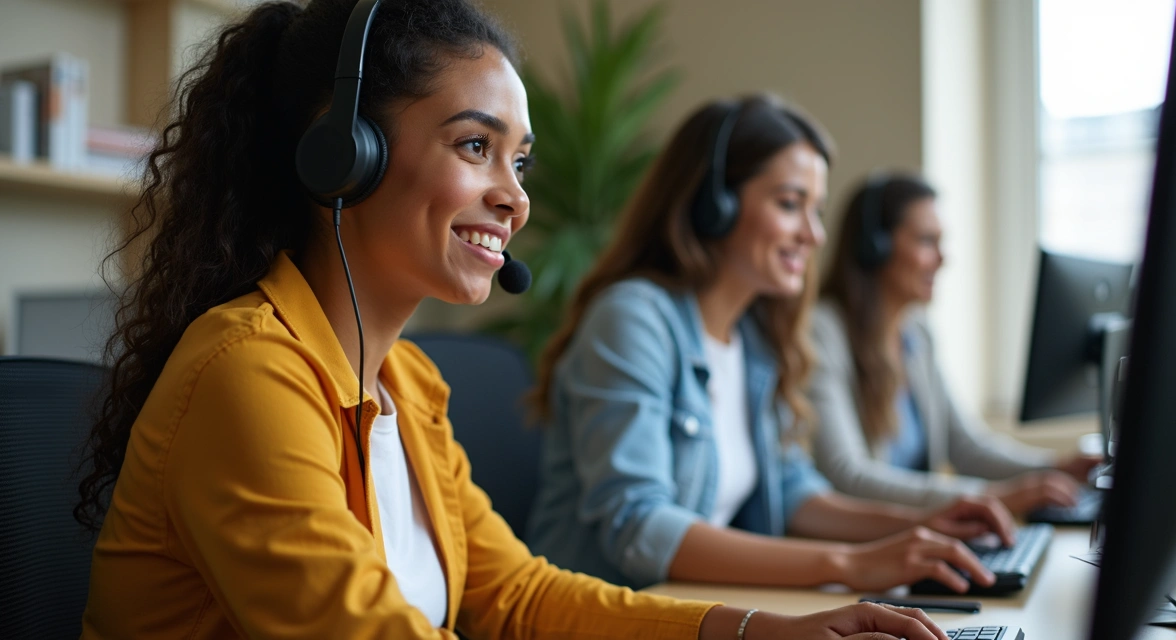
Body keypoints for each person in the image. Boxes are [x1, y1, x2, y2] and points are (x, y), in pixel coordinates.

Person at [70, 2, 952, 638]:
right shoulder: (248, 372)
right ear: (345, 157)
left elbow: (521, 596)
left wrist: (762, 633)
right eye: (474, 146)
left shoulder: (406, 384)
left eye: (519, 161)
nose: (514, 197)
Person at [526, 95, 1015, 595]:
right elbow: (639, 527)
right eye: (789, 204)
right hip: (600, 614)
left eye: (816, 210)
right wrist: (848, 565)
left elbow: (793, 490)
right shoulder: (633, 318)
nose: (814, 234)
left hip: (689, 607)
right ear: (713, 205)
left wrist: (925, 524)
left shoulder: (755, 336)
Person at [809, 172, 1101, 513]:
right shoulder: (823, 332)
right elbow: (848, 476)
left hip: (919, 536)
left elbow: (965, 446)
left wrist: (1056, 467)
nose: (943, 258)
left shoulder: (916, 332)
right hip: (868, 543)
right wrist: (991, 498)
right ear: (876, 246)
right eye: (926, 241)